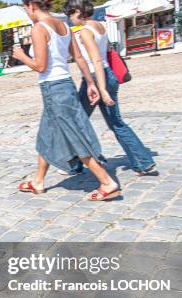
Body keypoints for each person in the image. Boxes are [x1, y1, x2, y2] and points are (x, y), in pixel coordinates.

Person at [12, 0, 121, 201]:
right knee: (46, 134)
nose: (27, 13)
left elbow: (40, 66)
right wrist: (90, 83)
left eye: (25, 9)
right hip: (66, 85)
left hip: (53, 88)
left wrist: (21, 56)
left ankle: (107, 182)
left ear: (31, 6)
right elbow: (79, 58)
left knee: (75, 135)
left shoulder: (39, 29)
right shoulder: (63, 26)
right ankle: (38, 181)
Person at [64, 0, 156, 176]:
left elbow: (96, 60)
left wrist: (101, 88)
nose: (70, 19)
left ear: (77, 12)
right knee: (116, 123)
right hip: (108, 75)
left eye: (70, 14)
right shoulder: (100, 26)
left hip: (95, 79)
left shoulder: (85, 32)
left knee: (77, 122)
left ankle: (75, 165)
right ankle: (143, 161)